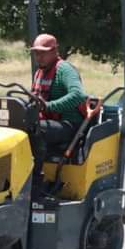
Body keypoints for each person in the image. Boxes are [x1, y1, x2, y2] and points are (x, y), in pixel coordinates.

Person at [29, 33, 86, 175]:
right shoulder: (39, 73)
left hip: (69, 124)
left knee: (35, 130)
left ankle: (36, 179)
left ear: (55, 51)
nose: (39, 57)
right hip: (48, 122)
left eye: (43, 53)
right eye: (36, 53)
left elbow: (78, 95)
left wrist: (49, 106)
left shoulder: (65, 70)